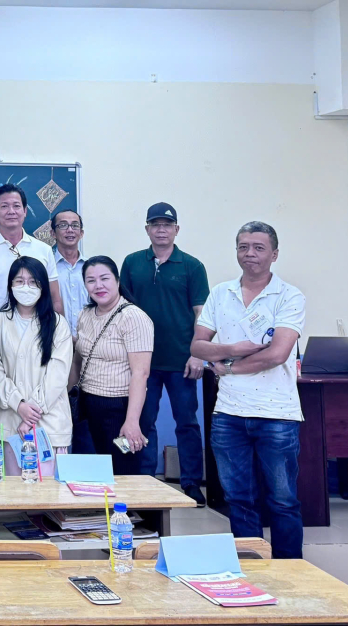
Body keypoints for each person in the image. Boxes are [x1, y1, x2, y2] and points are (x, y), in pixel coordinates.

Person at [191, 222, 305, 559]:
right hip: (228, 414)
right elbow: (197, 346)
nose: (249, 253)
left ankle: (290, 572)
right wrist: (235, 348)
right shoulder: (220, 293)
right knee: (239, 499)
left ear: (274, 254)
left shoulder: (289, 296)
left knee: (283, 501)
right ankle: (252, 571)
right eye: (243, 247)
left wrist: (228, 366)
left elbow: (277, 354)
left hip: (277, 414)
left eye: (258, 247)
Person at [120, 202, 210, 505]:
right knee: (144, 421)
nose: (161, 230)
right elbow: (123, 309)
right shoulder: (132, 263)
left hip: (181, 361)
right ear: (147, 229)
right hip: (141, 362)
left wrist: (197, 354)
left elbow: (201, 314)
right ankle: (146, 481)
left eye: (167, 225)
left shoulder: (192, 266)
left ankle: (192, 482)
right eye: (155, 224)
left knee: (187, 422)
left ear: (176, 229)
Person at [72, 256, 154, 475]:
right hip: (89, 404)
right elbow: (78, 360)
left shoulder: (133, 317)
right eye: (91, 280)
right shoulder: (85, 315)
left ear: (117, 280)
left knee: (124, 471)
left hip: (121, 407)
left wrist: (132, 421)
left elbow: (141, 373)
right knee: (96, 473)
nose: (98, 285)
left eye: (104, 278)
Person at [0, 257, 74, 458]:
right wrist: (18, 404)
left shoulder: (58, 324)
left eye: (33, 282)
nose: (26, 287)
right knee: (9, 478)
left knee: (49, 479)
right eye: (19, 281)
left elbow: (58, 374)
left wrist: (31, 413)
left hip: (49, 421)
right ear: (10, 285)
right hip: (9, 419)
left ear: (43, 286)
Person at [0, 184, 62, 322]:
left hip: (37, 329)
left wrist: (58, 329)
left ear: (25, 211)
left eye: (16, 206)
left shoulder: (44, 250)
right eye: (4, 206)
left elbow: (54, 298)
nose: (11, 211)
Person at [50, 210, 87, 337]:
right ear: (53, 233)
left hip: (90, 340)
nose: (70, 230)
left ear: (81, 233)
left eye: (75, 225)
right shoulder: (47, 267)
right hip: (56, 339)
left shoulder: (91, 268)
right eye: (63, 225)